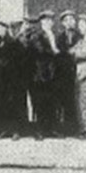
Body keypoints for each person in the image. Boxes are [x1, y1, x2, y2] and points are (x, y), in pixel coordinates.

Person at [30, 10, 61, 139]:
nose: (49, 23)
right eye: (46, 20)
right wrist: (54, 51)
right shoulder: (36, 36)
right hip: (40, 74)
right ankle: (40, 131)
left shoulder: (55, 35)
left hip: (52, 74)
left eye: (51, 20)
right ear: (41, 22)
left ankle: (52, 129)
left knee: (52, 102)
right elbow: (40, 51)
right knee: (40, 103)